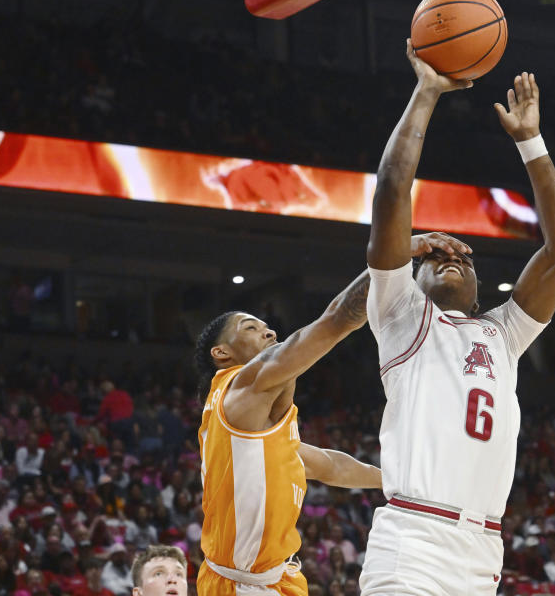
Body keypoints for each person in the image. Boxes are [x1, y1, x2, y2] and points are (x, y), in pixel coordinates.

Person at [359, 41, 555, 594]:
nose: (451, 257)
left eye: (463, 256)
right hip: (413, 538)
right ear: (412, 275)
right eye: (435, 255)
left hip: (483, 550)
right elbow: (391, 190)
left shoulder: (502, 334)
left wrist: (531, 143)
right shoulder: (400, 316)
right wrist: (426, 92)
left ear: (482, 288)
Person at [193, 232, 467, 596]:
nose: (269, 330)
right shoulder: (243, 386)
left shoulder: (251, 416)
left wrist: (401, 482)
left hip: (277, 579)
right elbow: (336, 319)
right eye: (250, 327)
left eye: (265, 324)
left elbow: (327, 465)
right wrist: (394, 257)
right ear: (222, 353)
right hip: (240, 585)